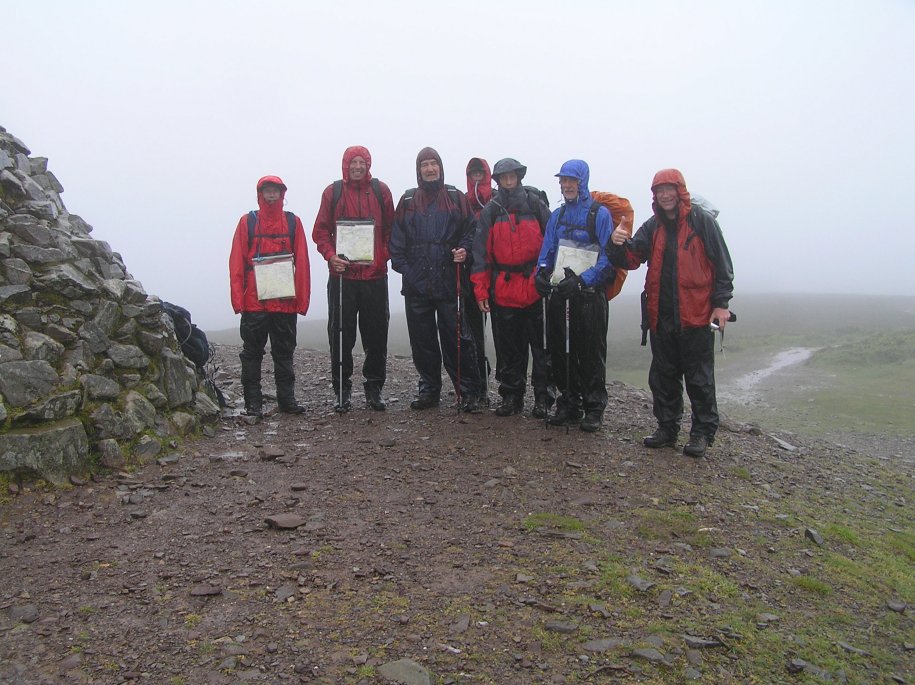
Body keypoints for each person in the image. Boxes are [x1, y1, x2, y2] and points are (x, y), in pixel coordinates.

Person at [607, 168, 734, 458]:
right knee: (663, 376)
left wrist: (721, 304)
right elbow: (632, 258)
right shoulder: (652, 227)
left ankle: (702, 433)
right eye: (659, 191)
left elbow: (722, 265)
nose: (665, 195)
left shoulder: (702, 223)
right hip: (660, 315)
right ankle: (667, 428)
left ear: (680, 191)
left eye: (669, 189)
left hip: (697, 315)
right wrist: (616, 244)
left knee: (699, 378)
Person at [389, 147, 482, 412]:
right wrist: (408, 272)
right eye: (424, 165)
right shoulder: (407, 201)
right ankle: (429, 389)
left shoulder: (455, 197)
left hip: (449, 281)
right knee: (423, 341)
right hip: (416, 284)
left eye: (434, 164)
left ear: (440, 167)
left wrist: (465, 250)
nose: (430, 169)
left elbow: (471, 231)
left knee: (457, 339)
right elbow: (396, 245)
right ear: (418, 170)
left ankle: (466, 391)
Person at [312, 146, 395, 412]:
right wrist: (330, 256)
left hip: (374, 275)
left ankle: (374, 388)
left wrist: (382, 256)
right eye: (352, 162)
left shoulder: (381, 191)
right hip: (342, 277)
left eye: (362, 162)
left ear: (368, 164)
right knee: (340, 334)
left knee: (376, 334)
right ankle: (342, 390)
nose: (357, 166)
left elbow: (392, 231)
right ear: (345, 165)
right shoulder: (332, 192)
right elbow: (321, 231)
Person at [534, 160, 614, 432]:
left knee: (590, 352)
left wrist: (582, 282)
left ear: (583, 182)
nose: (567, 185)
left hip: (589, 296)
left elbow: (608, 258)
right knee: (560, 351)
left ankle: (593, 408)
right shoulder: (556, 216)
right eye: (563, 181)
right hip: (561, 294)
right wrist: (541, 274)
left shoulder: (599, 215)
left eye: (572, 181)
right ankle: (568, 402)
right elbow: (547, 251)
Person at [471, 157, 554, 418]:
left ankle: (543, 397)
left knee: (541, 348)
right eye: (503, 176)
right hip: (504, 288)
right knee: (508, 349)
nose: (509, 180)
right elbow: (481, 254)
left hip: (533, 286)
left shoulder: (535, 203)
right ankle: (511, 396)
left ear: (519, 176)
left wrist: (548, 275)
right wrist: (481, 291)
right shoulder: (491, 210)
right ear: (497, 180)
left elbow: (552, 241)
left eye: (512, 175)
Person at [229, 175, 311, 417]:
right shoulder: (247, 222)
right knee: (252, 354)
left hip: (285, 304)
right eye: (267, 191)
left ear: (282, 194)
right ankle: (253, 404)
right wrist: (238, 301)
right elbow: (236, 262)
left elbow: (303, 263)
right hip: (255, 303)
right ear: (260, 194)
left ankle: (287, 401)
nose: (272, 194)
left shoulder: (293, 222)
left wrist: (301, 301)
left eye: (276, 190)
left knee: (284, 354)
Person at [464, 157, 494, 402]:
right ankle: (479, 385)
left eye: (480, 173)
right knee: (474, 332)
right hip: (471, 275)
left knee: (507, 333)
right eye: (472, 173)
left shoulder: (497, 199)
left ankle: (508, 390)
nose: (476, 177)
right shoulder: (462, 202)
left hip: (500, 273)